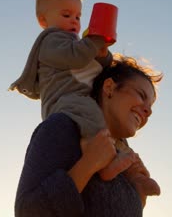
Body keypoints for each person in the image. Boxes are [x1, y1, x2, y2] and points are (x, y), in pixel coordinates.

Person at [15, 54, 163, 216]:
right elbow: (27, 212)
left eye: (150, 107)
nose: (148, 111)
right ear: (109, 88)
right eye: (141, 95)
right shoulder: (64, 127)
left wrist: (138, 199)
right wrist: (88, 165)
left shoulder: (125, 162)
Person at [9, 0, 132, 179]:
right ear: (43, 20)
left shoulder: (78, 44)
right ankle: (104, 161)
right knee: (91, 114)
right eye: (66, 15)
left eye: (78, 16)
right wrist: (94, 41)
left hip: (81, 98)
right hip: (63, 101)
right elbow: (76, 57)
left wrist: (102, 54)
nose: (74, 21)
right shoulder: (50, 41)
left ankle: (132, 170)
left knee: (107, 120)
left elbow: (97, 65)